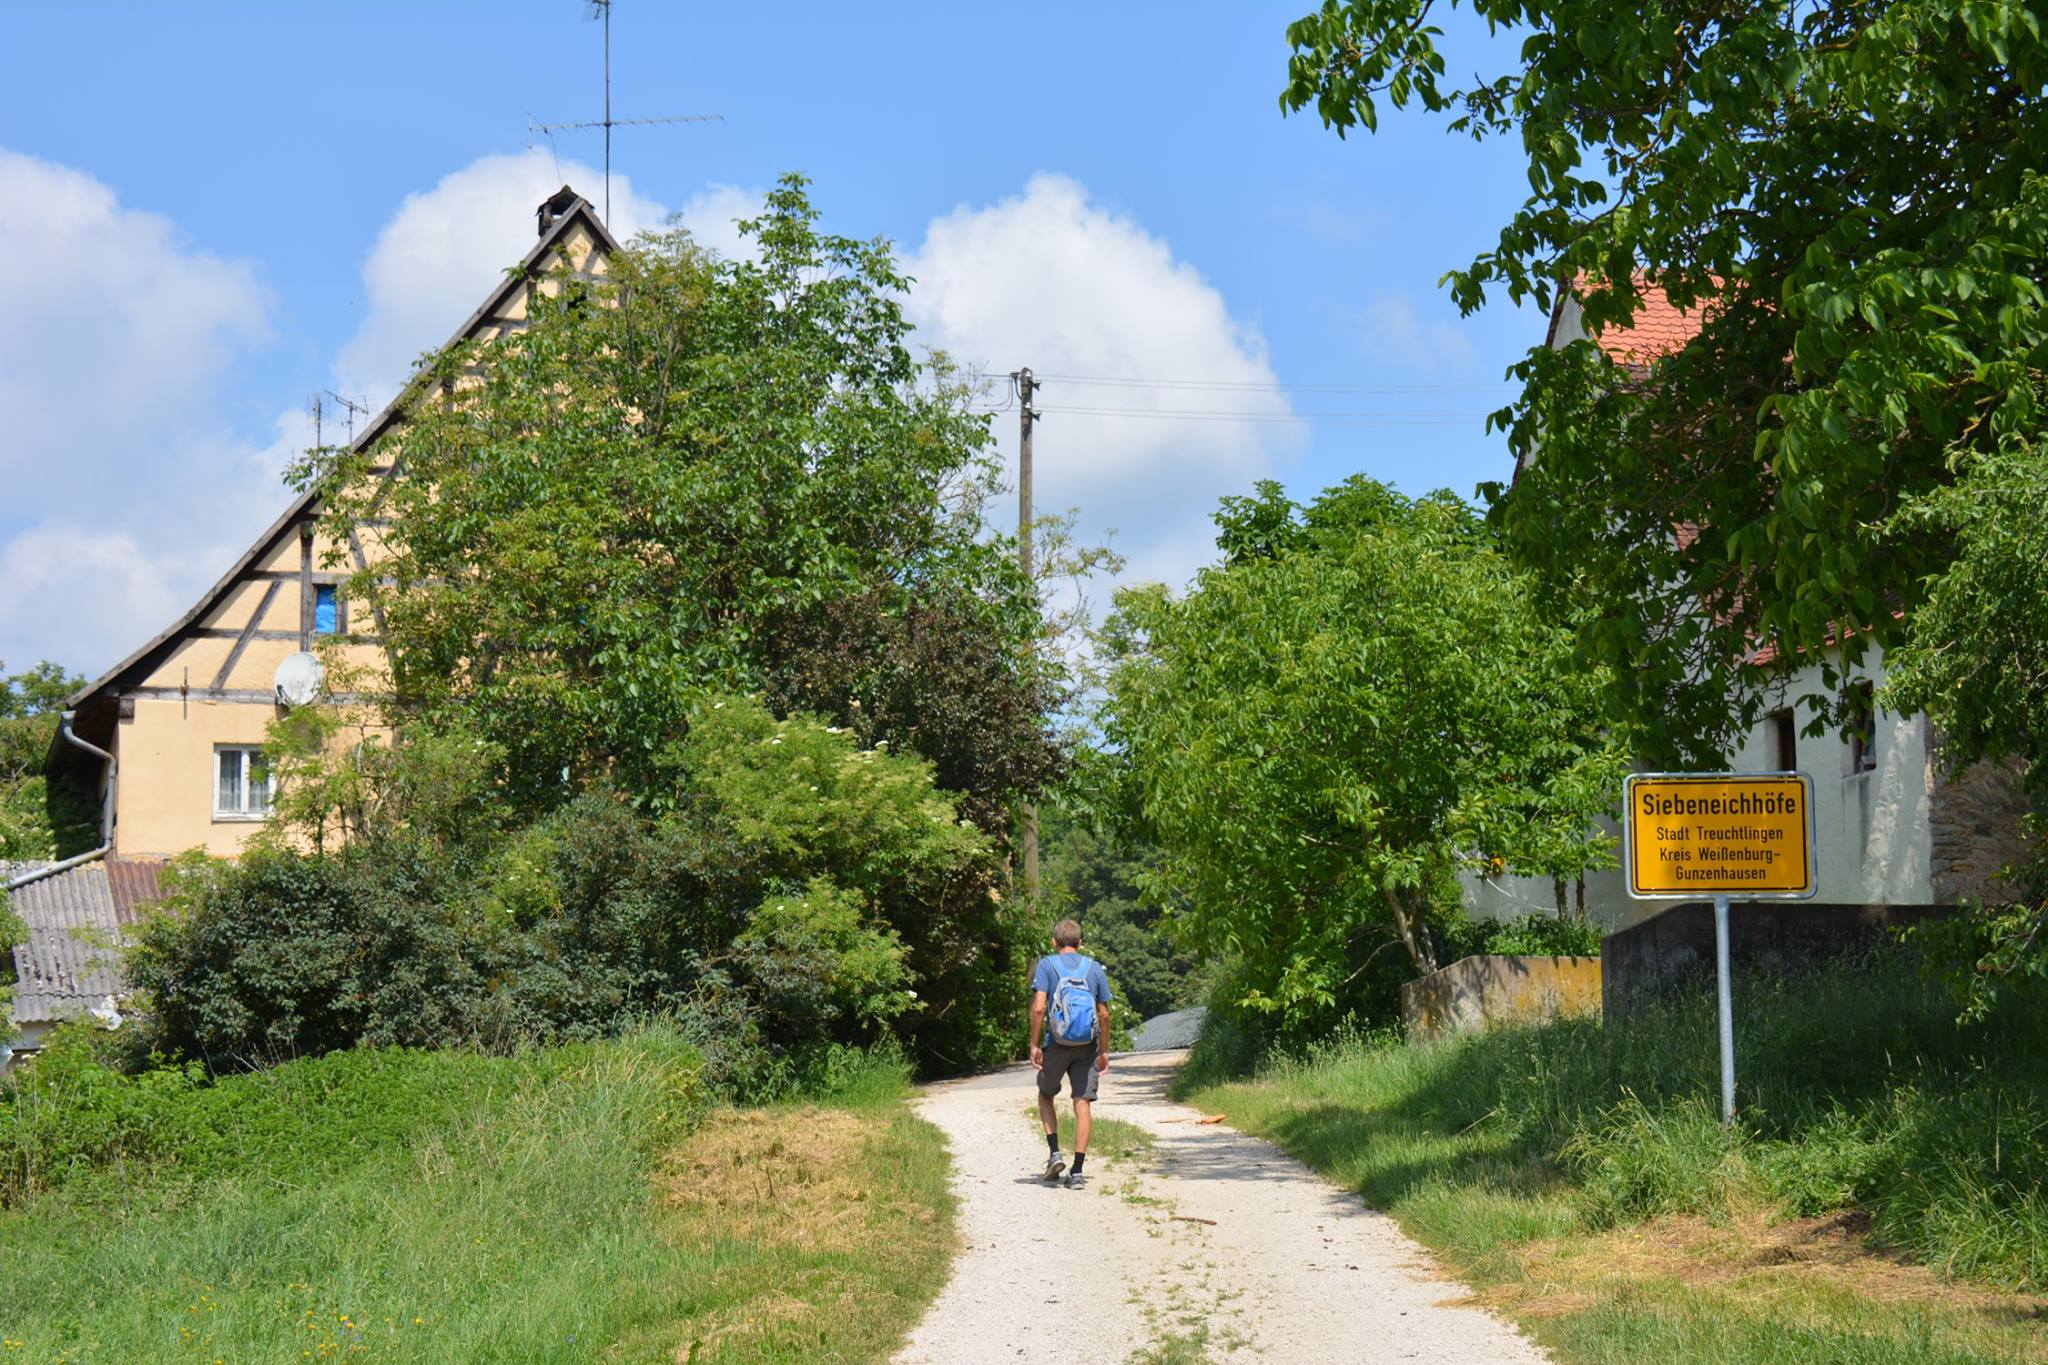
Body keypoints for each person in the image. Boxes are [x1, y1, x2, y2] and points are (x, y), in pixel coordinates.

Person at [1028, 918, 1112, 1188]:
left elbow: (1039, 1008)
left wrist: (1034, 1044)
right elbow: (1104, 1014)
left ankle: (1054, 1153)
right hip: (1087, 1046)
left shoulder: (1046, 965)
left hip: (1057, 1044)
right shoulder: (1094, 968)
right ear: (1080, 943)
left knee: (1045, 1094)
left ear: (1053, 942)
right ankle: (1077, 1172)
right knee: (1082, 1101)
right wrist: (1104, 1051)